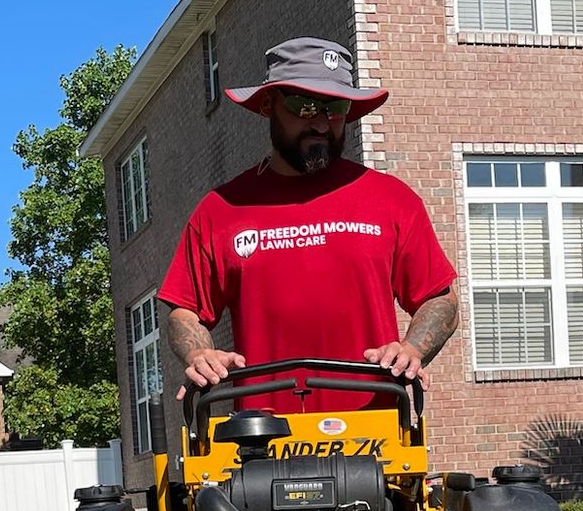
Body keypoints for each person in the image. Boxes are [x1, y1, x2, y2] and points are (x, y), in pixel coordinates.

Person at [158, 37, 460, 413]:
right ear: (269, 105)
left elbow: (440, 298)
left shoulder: (392, 201)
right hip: (260, 439)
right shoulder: (220, 210)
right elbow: (184, 310)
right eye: (305, 106)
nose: (321, 123)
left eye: (335, 107)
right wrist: (199, 352)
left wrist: (413, 349)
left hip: (376, 434)